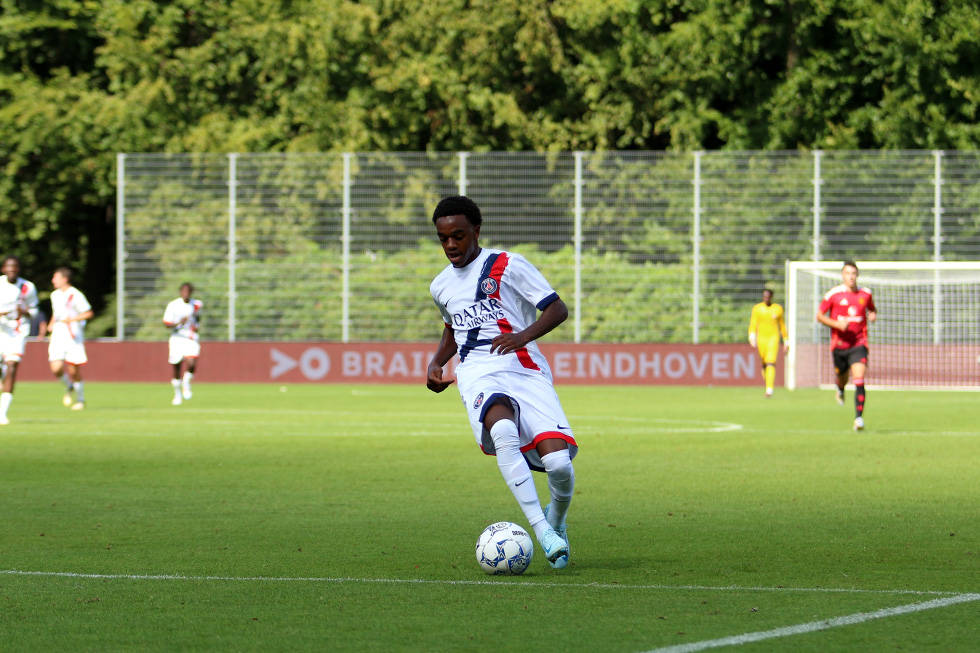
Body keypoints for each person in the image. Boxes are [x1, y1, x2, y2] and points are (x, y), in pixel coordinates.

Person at [426, 195, 576, 569]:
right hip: (477, 370)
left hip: (526, 368)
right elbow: (453, 326)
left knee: (558, 464)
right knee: (504, 429)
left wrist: (522, 337)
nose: (450, 245)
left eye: (458, 236)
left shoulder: (508, 265)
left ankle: (556, 520)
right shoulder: (440, 285)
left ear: (476, 231)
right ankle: (542, 531)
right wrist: (437, 362)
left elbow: (557, 308)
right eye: (443, 238)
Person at [816, 261, 877, 431]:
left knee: (859, 379)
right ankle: (840, 389)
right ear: (843, 275)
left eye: (854, 273)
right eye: (848, 273)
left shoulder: (865, 294)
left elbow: (872, 309)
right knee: (842, 378)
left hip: (859, 344)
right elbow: (819, 316)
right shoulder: (834, 295)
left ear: (857, 275)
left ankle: (858, 419)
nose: (851, 276)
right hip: (840, 346)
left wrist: (872, 315)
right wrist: (837, 324)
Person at [0, 256, 39, 425]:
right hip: (1, 330)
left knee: (12, 365)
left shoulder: (27, 287)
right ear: (3, 269)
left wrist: (25, 312)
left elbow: (34, 310)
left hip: (17, 332)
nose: (12, 269)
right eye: (9, 267)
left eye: (15, 266)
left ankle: (2, 412)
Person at [48, 267, 93, 410]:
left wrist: (72, 319)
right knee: (56, 368)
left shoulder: (75, 295)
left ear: (64, 279)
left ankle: (80, 399)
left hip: (72, 336)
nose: (53, 281)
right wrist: (51, 324)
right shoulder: (54, 295)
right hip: (57, 334)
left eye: (55, 278)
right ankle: (69, 386)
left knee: (74, 370)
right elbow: (57, 313)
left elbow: (88, 313)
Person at [162, 283, 202, 405]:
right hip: (177, 338)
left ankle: (187, 381)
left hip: (190, 338)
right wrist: (179, 322)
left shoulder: (196, 305)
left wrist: (196, 327)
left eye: (188, 291)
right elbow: (166, 324)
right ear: (180, 292)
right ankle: (177, 394)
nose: (186, 294)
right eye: (184, 291)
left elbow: (198, 318)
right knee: (177, 368)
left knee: (192, 363)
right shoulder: (173, 305)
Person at [747, 288, 788, 397]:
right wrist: (752, 335)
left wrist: (786, 340)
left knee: (770, 362)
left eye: (768, 296)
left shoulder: (777, 309)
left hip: (773, 338)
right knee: (764, 364)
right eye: (764, 296)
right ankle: (768, 384)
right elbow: (753, 323)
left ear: (771, 297)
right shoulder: (757, 309)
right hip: (761, 339)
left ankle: (769, 389)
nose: (766, 299)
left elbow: (782, 326)